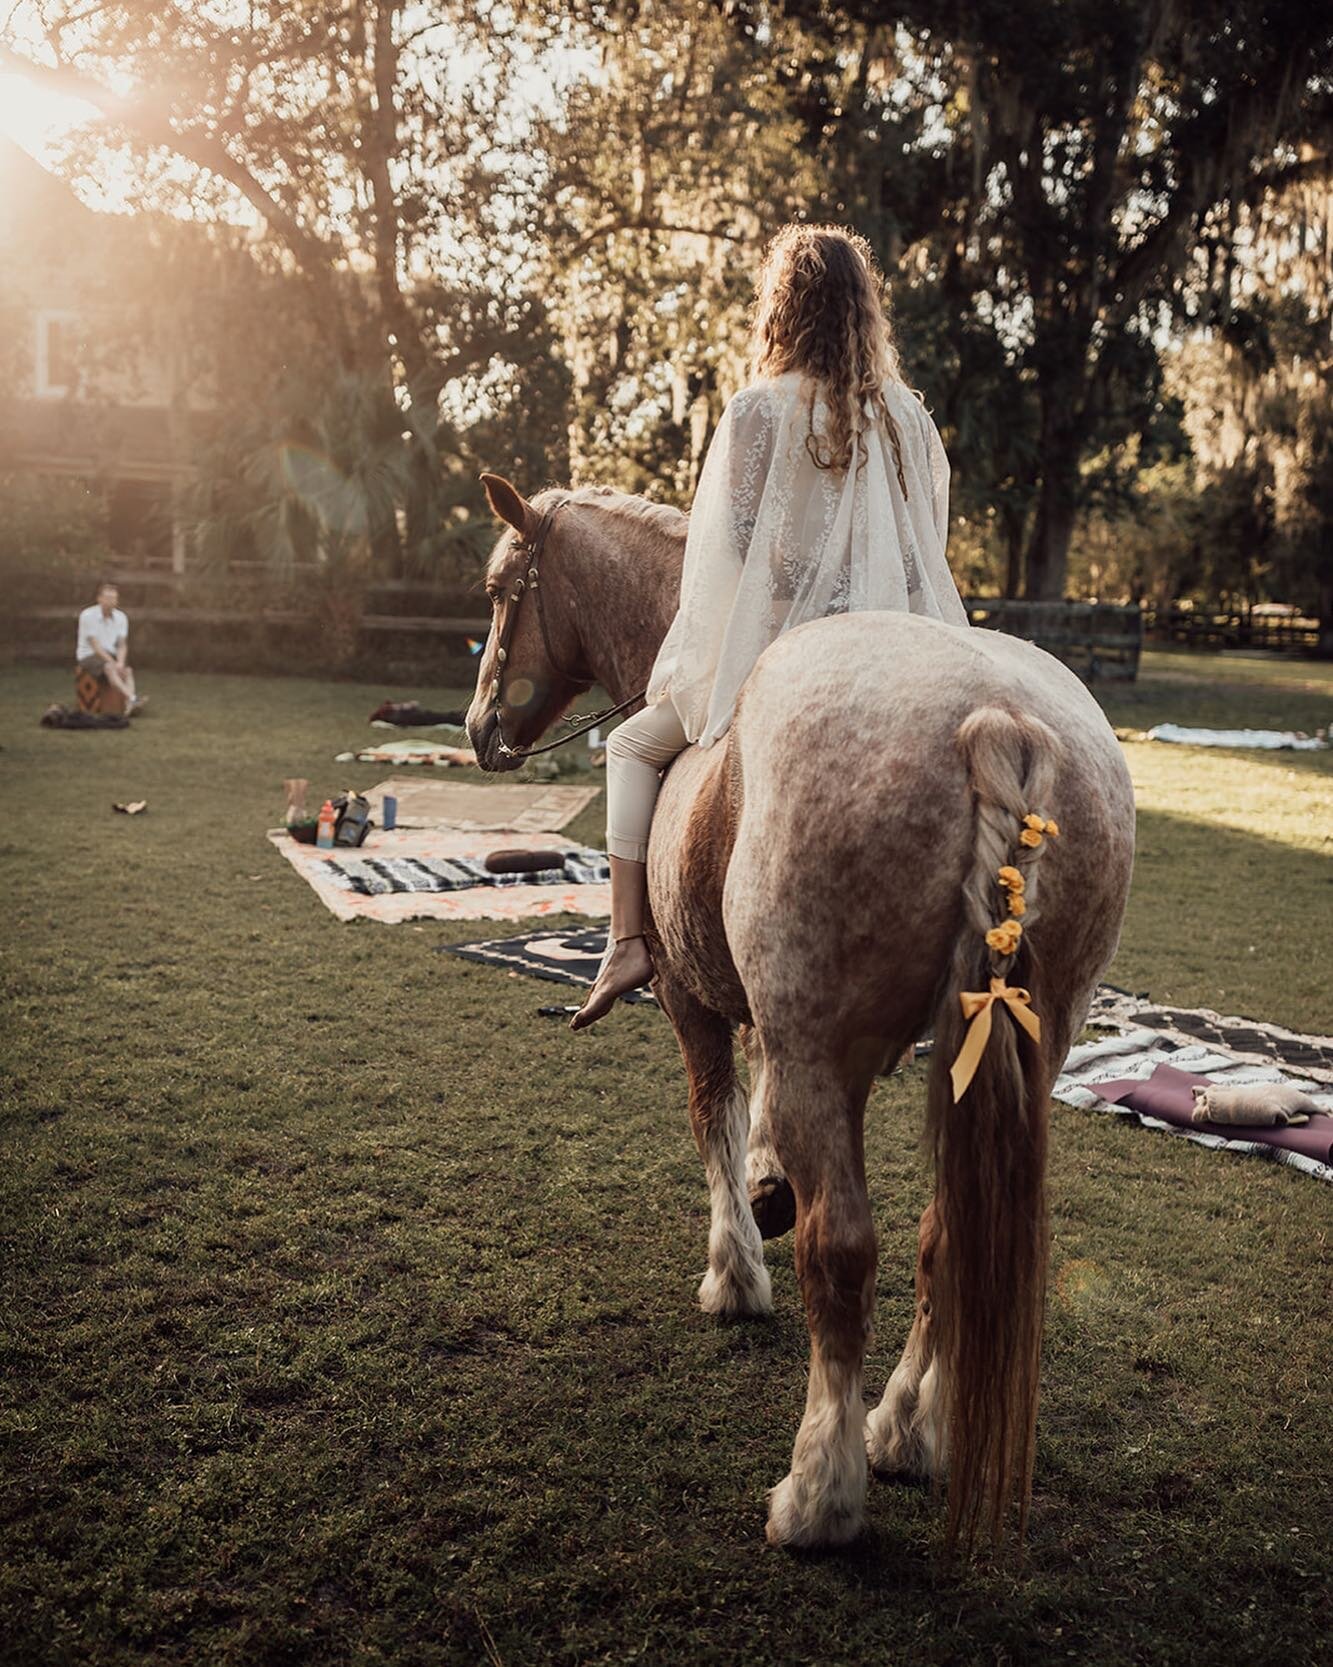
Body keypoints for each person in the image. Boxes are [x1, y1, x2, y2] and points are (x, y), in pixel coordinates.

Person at [570, 223, 970, 1030]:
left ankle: (624, 939)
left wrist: (697, 664)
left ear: (781, 310)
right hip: (900, 658)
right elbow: (930, 544)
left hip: (780, 655)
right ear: (864, 311)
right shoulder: (910, 421)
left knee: (629, 745)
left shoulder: (758, 411)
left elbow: (726, 558)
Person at [76, 582, 142, 712]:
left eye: (114, 599)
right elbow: (95, 646)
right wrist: (113, 662)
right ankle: (132, 698)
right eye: (108, 598)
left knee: (127, 671)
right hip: (89, 655)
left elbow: (122, 644)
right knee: (109, 667)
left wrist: (121, 662)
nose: (111, 601)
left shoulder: (121, 617)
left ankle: (129, 705)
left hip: (110, 653)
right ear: (99, 599)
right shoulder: (88, 615)